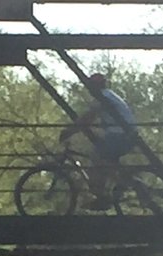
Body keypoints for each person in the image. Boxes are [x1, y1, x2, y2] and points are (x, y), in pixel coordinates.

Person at [59, 73, 137, 209]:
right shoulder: (109, 95)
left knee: (96, 158)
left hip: (119, 135)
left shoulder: (102, 98)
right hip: (126, 135)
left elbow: (87, 119)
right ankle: (112, 187)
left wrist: (69, 131)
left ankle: (107, 193)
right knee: (103, 161)